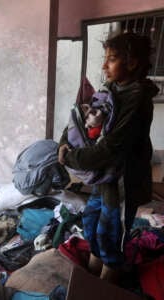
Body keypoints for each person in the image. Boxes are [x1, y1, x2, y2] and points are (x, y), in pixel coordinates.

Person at [58, 32, 159, 283]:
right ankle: (91, 279)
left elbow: (111, 148)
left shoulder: (137, 97)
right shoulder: (110, 89)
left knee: (110, 236)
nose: (104, 65)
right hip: (104, 177)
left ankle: (104, 288)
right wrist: (63, 143)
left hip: (123, 180)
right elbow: (80, 119)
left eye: (112, 59)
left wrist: (72, 159)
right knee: (91, 224)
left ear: (132, 63)